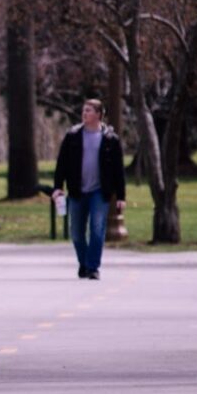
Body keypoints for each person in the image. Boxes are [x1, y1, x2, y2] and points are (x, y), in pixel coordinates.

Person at [51, 99, 126, 280]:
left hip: (99, 192)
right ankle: (84, 263)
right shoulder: (73, 136)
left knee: (97, 228)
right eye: (84, 110)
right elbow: (62, 163)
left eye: (89, 111)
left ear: (99, 114)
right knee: (76, 233)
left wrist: (121, 196)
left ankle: (93, 267)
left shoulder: (110, 139)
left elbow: (118, 170)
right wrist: (57, 187)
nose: (84, 114)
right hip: (77, 190)